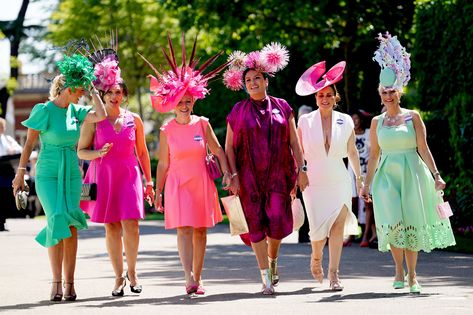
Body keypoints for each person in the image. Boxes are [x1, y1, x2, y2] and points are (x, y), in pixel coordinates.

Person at [361, 33, 456, 294]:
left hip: (413, 173)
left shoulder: (413, 117)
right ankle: (398, 270)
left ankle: (413, 275)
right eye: (384, 92)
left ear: (399, 92)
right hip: (386, 177)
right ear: (380, 95)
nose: (388, 95)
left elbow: (423, 148)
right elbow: (374, 155)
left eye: (392, 91)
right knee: (393, 222)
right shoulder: (376, 123)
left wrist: (436, 175)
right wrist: (366, 184)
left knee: (412, 221)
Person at [11, 53, 107, 301]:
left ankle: (70, 283)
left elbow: (101, 115)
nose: (81, 95)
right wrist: (20, 174)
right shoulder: (43, 110)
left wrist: (94, 89)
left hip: (72, 174)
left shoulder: (77, 111)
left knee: (71, 224)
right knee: (55, 217)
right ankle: (55, 281)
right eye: (80, 90)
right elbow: (29, 143)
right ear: (69, 88)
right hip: (48, 172)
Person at [144, 34, 231, 295]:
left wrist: (228, 173)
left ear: (194, 100)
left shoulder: (202, 124)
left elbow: (218, 149)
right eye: (180, 101)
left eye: (188, 100)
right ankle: (188, 276)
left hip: (201, 182)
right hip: (177, 183)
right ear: (172, 103)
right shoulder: (166, 129)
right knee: (183, 229)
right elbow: (162, 165)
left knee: (200, 232)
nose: (184, 105)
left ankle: (199, 276)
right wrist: (158, 192)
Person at [223, 43, 309, 295]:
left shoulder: (283, 107)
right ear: (244, 84)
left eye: (257, 78)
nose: (252, 83)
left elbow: (294, 141)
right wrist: (233, 175)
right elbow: (228, 148)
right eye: (248, 80)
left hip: (278, 176)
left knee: (277, 222)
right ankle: (265, 278)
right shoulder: (238, 110)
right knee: (255, 225)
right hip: (248, 178)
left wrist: (301, 169)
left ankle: (272, 261)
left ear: (266, 80)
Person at [79, 43, 153, 296]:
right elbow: (81, 151)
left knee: (131, 224)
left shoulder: (135, 119)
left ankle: (133, 272)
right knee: (111, 226)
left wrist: (150, 183)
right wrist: (97, 154)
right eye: (109, 92)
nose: (114, 96)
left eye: (118, 92)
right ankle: (118, 277)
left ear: (124, 94)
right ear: (101, 93)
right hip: (103, 175)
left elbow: (142, 153)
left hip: (129, 174)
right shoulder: (93, 119)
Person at [295, 60, 361, 291]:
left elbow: (352, 151)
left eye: (329, 95)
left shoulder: (345, 121)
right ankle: (315, 256)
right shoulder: (304, 120)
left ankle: (334, 274)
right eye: (320, 95)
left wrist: (359, 178)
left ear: (336, 97)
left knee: (337, 226)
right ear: (315, 98)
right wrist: (299, 174)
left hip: (339, 179)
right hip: (313, 180)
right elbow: (297, 152)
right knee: (317, 230)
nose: (324, 99)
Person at [346, 110, 377, 247]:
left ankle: (365, 235)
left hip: (366, 171)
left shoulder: (369, 132)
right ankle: (351, 235)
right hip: (352, 172)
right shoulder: (348, 133)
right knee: (352, 203)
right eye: (353, 119)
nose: (355, 121)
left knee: (367, 204)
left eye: (357, 118)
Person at [0, 117, 22, 231]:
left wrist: (12, 150)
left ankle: (2, 222)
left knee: (5, 198)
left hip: (6, 172)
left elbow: (19, 149)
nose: (2, 129)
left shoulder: (8, 139)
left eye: (2, 127)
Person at [296, 105, 313, 243]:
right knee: (301, 201)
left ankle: (311, 232)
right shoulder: (294, 131)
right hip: (299, 170)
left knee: (312, 201)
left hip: (313, 170)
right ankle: (302, 234)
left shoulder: (315, 130)